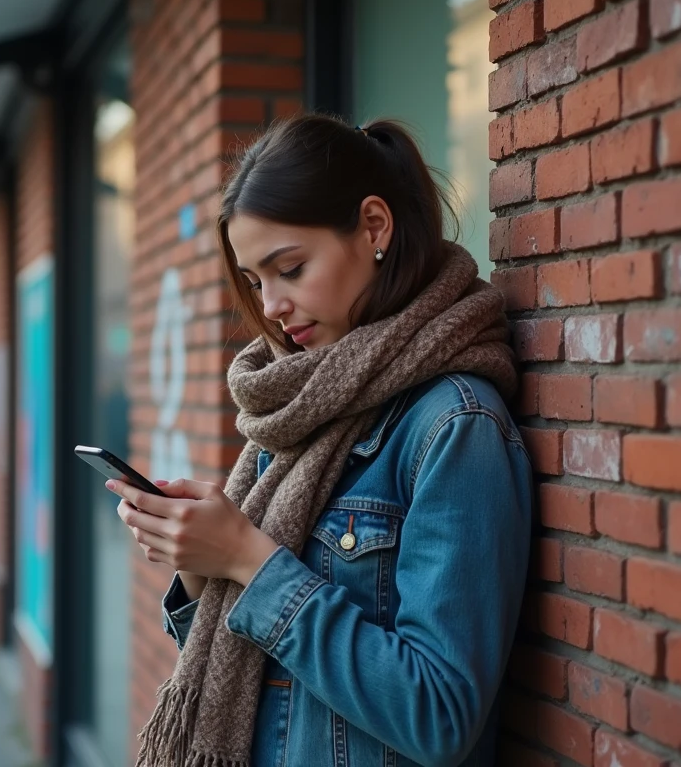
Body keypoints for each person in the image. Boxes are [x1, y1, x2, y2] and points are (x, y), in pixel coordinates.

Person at [109, 115, 533, 767]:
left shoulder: (454, 426)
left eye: (290, 268)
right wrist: (203, 567)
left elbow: (441, 715)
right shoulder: (307, 415)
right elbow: (263, 679)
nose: (272, 304)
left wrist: (249, 560)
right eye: (255, 282)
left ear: (373, 227)